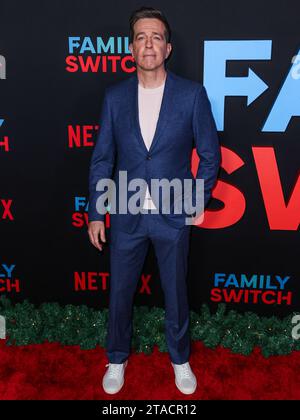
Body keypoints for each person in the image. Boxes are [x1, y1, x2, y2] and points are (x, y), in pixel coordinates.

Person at [88, 6, 221, 395]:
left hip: (172, 214)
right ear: (131, 49)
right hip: (126, 213)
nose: (149, 44)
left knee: (177, 292)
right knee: (120, 292)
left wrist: (195, 199)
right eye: (142, 37)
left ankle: (180, 360)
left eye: (156, 37)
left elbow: (210, 155)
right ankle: (117, 358)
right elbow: (102, 159)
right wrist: (97, 212)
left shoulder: (192, 95)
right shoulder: (114, 98)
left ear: (168, 48)